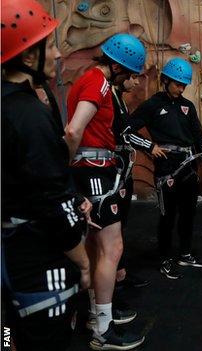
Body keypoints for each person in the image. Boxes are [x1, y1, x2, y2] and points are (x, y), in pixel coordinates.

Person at [1, 1, 92, 349]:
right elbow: (51, 202)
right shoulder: (29, 116)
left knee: (9, 336)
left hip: (11, 258)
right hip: (37, 264)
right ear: (27, 58)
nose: (57, 54)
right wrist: (83, 264)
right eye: (50, 45)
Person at [65, 33, 146, 349]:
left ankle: (97, 317)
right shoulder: (97, 83)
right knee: (112, 249)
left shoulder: (94, 80)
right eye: (128, 72)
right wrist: (65, 167)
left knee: (100, 247)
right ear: (117, 65)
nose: (130, 78)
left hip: (94, 171)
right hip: (94, 172)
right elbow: (73, 129)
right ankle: (102, 329)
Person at [128, 57, 202, 280]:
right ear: (165, 80)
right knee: (168, 215)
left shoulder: (188, 106)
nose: (180, 88)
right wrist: (149, 145)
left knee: (188, 214)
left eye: (184, 85)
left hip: (188, 166)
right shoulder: (153, 105)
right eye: (177, 84)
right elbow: (127, 129)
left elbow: (197, 133)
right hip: (166, 167)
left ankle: (185, 253)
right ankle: (165, 259)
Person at [111, 72, 151, 289]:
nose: (136, 82)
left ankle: (120, 271)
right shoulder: (108, 97)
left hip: (123, 169)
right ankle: (113, 278)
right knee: (111, 226)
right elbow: (124, 133)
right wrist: (150, 146)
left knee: (121, 223)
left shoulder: (118, 97)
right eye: (133, 76)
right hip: (112, 170)